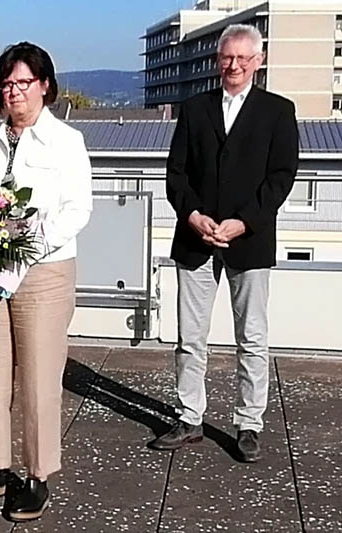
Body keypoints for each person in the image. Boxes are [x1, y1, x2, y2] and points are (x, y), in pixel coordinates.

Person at [0, 42, 92, 522]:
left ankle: (37, 474)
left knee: (39, 378)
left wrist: (28, 243)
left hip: (43, 273)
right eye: (6, 84)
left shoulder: (66, 141)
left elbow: (78, 209)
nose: (14, 92)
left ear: (45, 86)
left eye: (23, 83)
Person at [149, 24, 298, 463]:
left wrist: (242, 223)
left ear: (259, 61)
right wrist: (194, 216)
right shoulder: (195, 108)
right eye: (226, 58)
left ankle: (249, 423)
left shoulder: (277, 111)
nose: (232, 66)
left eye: (242, 59)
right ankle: (188, 416)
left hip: (248, 241)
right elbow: (176, 174)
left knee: (251, 336)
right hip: (196, 239)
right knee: (190, 337)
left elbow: (281, 178)